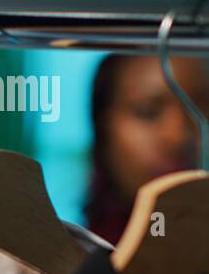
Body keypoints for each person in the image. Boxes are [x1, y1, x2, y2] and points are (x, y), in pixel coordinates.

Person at [84, 53, 208, 243]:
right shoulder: (61, 265)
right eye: (147, 112)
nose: (177, 137)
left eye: (199, 112)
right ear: (103, 126)